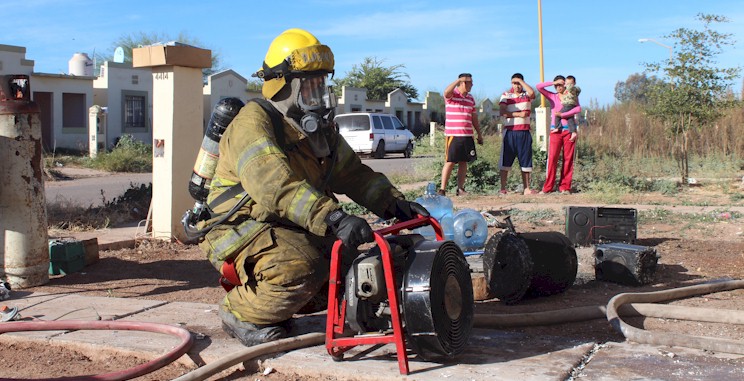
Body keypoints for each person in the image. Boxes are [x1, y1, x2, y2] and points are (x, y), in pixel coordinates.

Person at [198, 28, 428, 347]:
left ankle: (283, 301)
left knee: (353, 275)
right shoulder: (252, 123)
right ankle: (241, 312)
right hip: (241, 225)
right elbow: (274, 185)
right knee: (302, 270)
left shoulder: (318, 128)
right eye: (309, 85)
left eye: (322, 84)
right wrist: (334, 218)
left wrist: (395, 205)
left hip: (290, 221)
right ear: (284, 85)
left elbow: (353, 174)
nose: (319, 94)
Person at [439, 73, 483, 196]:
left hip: (467, 135)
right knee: (450, 161)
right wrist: (458, 80)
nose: (472, 85)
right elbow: (446, 92)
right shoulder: (452, 95)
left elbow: (474, 117)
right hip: (454, 134)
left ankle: (460, 189)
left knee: (464, 161)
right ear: (463, 83)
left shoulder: (470, 98)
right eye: (469, 82)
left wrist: (479, 133)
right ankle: (442, 189)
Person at [538, 75, 582, 194]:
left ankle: (565, 187)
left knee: (568, 159)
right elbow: (539, 87)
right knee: (552, 159)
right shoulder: (552, 96)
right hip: (555, 131)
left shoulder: (571, 95)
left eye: (560, 85)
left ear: (565, 85)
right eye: (556, 85)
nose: (558, 87)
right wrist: (553, 82)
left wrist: (562, 115)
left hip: (568, 131)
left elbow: (578, 109)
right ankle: (548, 187)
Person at [498, 73, 538, 195]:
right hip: (510, 132)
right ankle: (503, 188)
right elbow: (502, 111)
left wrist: (522, 82)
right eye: (514, 83)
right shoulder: (506, 95)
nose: (517, 86)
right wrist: (518, 114)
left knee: (525, 160)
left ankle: (526, 188)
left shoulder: (526, 95)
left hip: (524, 132)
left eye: (518, 83)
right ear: (511, 84)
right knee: (506, 161)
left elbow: (532, 93)